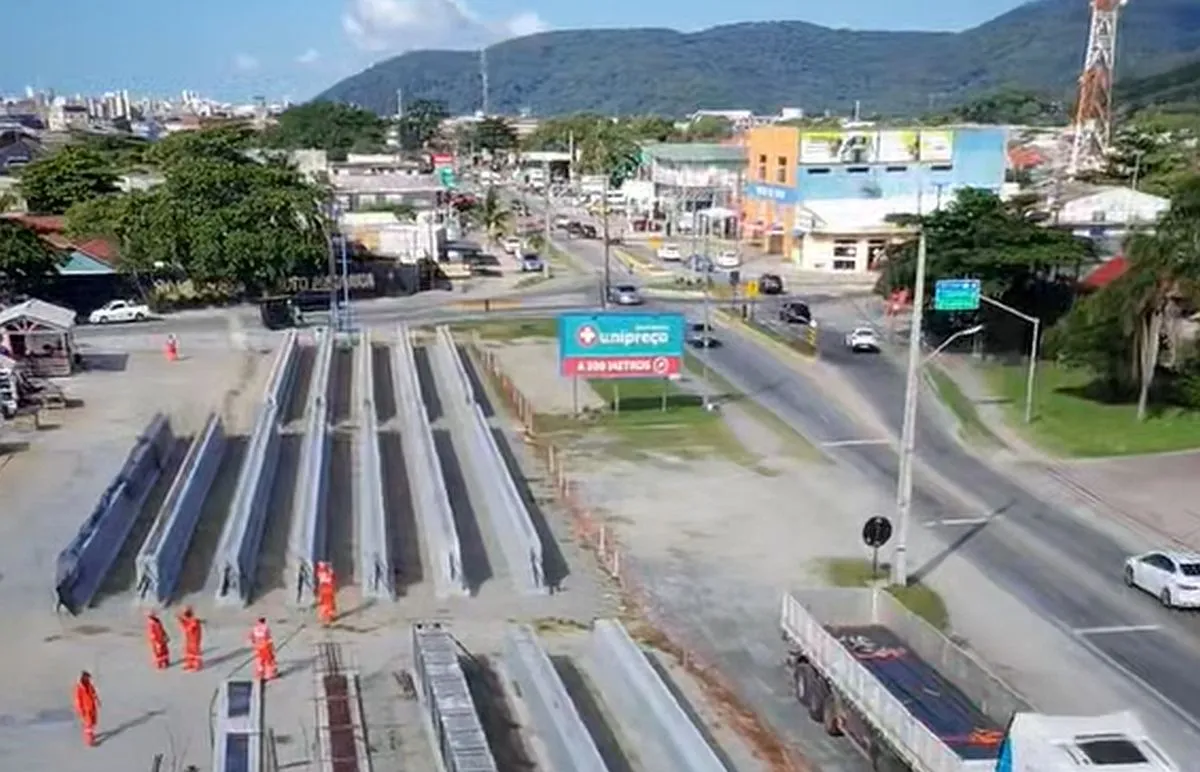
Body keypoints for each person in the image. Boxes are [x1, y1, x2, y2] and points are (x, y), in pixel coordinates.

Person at [73, 671, 100, 747]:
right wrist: (80, 710)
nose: (89, 679)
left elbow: (93, 693)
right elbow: (78, 700)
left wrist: (97, 700)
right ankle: (90, 741)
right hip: (86, 709)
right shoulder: (79, 688)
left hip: (92, 707)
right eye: (87, 677)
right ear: (83, 677)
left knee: (93, 722)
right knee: (88, 724)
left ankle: (91, 736)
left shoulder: (89, 684)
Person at [177, 606, 202, 672]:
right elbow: (185, 626)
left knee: (195, 652)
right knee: (188, 651)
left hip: (194, 640)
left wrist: (181, 621)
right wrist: (181, 620)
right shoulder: (189, 620)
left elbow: (187, 629)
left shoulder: (194, 621)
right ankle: (189, 664)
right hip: (189, 639)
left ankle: (196, 665)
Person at [315, 561, 337, 626]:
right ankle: (329, 616)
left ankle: (327, 616)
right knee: (328, 602)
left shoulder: (322, 571)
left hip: (325, 586)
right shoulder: (328, 571)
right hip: (327, 586)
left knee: (326, 602)